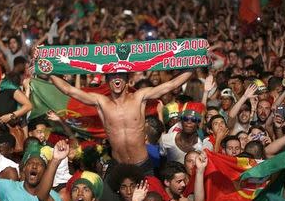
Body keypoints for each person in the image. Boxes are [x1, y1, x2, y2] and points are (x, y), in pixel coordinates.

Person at [49, 64, 192, 174]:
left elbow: (171, 85)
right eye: (112, 75)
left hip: (143, 165)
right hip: (117, 166)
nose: (117, 78)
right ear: (107, 80)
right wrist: (46, 65)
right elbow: (69, 90)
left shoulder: (139, 97)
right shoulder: (101, 102)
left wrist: (196, 62)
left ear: (127, 80)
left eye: (121, 75)